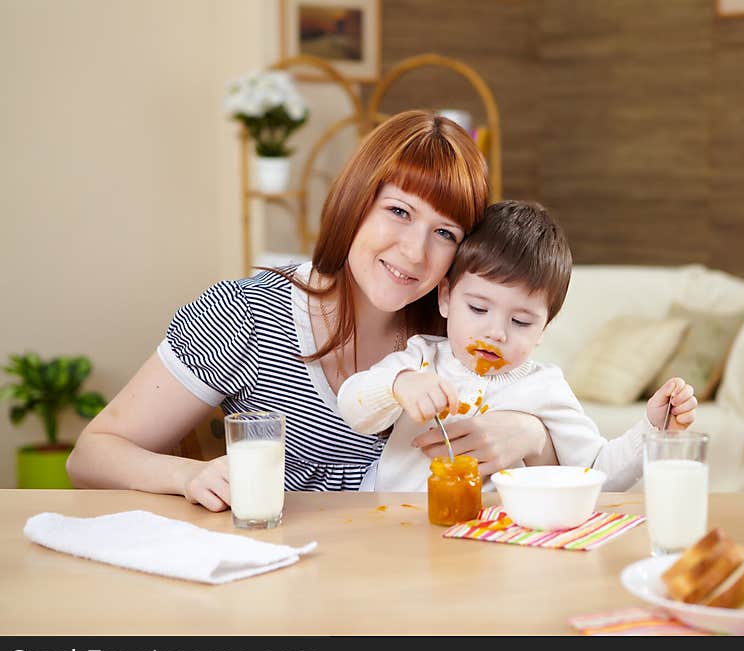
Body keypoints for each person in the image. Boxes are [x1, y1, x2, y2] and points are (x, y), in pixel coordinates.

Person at [66, 110, 563, 510]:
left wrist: (529, 434)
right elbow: (91, 455)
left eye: (445, 233)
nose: (415, 252)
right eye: (398, 211)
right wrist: (188, 475)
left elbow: (567, 449)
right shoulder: (244, 313)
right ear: (354, 203)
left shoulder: (454, 333)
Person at [337, 200, 698, 492]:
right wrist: (398, 384)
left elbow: (596, 474)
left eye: (521, 321)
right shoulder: (421, 357)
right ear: (445, 297)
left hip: (490, 542)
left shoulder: (544, 388)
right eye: (478, 308)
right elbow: (352, 406)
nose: (496, 332)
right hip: (394, 528)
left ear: (543, 329)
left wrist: (652, 428)